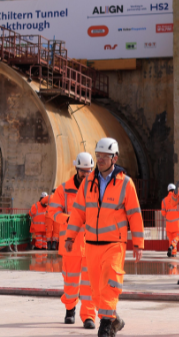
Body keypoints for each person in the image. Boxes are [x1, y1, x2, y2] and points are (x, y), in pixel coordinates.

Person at [65, 138, 144, 337]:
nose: (100, 160)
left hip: (114, 243)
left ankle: (106, 325)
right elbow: (78, 212)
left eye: (104, 156)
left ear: (114, 158)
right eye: (98, 156)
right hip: (91, 243)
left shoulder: (125, 183)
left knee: (110, 281)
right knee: (95, 289)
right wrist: (70, 236)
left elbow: (134, 213)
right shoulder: (88, 182)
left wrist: (138, 242)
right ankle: (114, 318)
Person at [47, 152, 98, 329]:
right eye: (83, 171)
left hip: (90, 244)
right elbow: (52, 212)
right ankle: (70, 309)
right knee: (70, 282)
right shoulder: (63, 189)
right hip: (71, 245)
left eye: (89, 171)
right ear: (77, 169)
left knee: (89, 283)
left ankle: (89, 316)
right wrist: (69, 219)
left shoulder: (96, 188)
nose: (86, 174)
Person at [161, 183, 179, 257]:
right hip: (177, 224)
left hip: (169, 224)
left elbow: (163, 213)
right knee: (176, 238)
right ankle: (172, 246)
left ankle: (173, 253)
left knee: (170, 239)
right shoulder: (178, 199)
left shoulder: (164, 200)